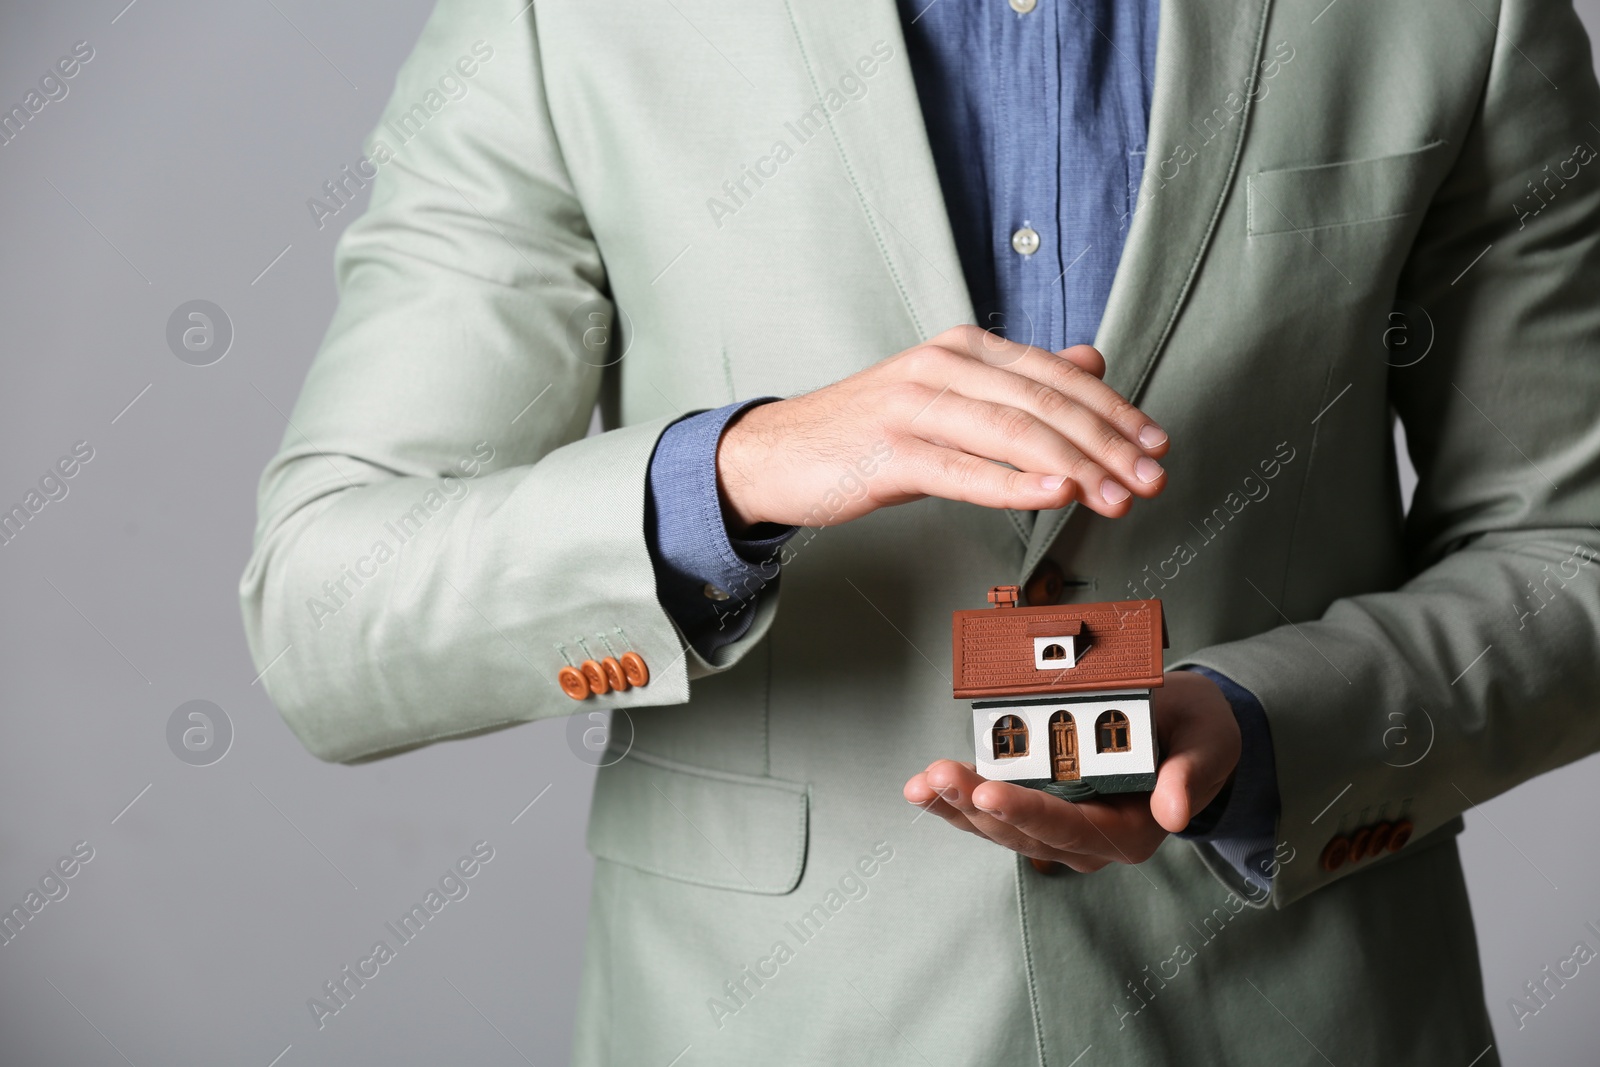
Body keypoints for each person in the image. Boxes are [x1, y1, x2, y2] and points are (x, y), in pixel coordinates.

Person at [240, 0, 1600, 1061]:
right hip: (770, 1027)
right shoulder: (556, 22)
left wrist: (1264, 732)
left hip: (1309, 1017)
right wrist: (741, 470)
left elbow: (1574, 553)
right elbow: (326, 610)